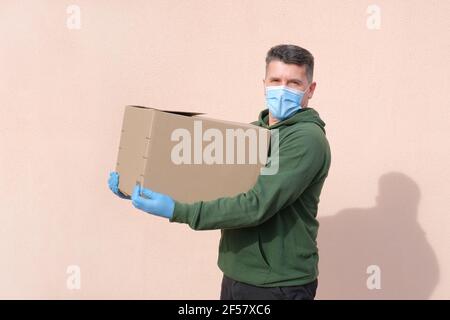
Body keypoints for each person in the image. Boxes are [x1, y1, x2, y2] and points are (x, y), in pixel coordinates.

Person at [108, 44, 331, 300]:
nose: (282, 90)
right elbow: (211, 182)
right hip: (237, 272)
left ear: (310, 90)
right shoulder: (252, 135)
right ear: (264, 83)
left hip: (278, 284)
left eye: (293, 83)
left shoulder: (306, 140)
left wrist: (177, 210)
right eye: (276, 80)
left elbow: (257, 204)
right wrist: (143, 186)